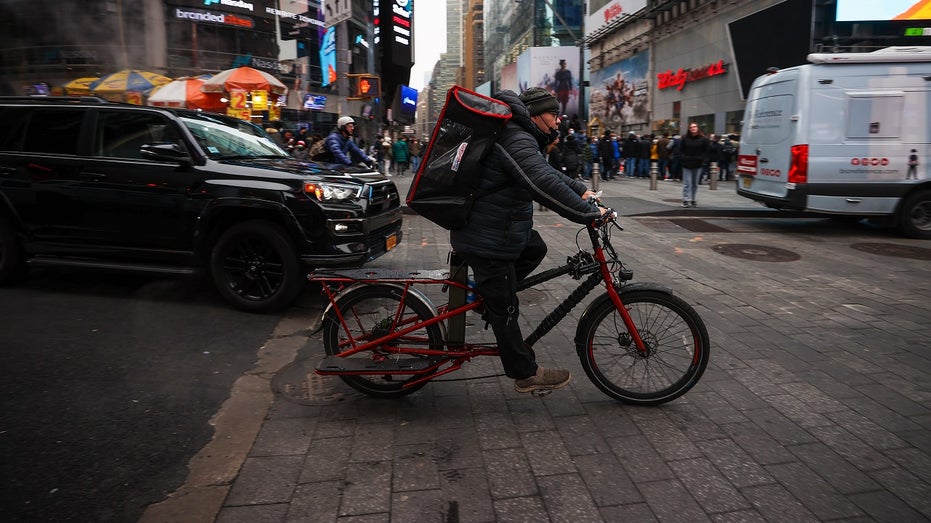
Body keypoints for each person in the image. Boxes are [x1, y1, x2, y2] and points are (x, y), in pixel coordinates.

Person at [450, 87, 606, 393]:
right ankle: (524, 372)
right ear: (535, 113)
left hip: (500, 230)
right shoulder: (516, 136)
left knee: (535, 247)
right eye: (553, 114)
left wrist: (580, 190)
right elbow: (540, 180)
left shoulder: (519, 134)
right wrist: (588, 213)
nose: (558, 121)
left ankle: (486, 298)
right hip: (488, 238)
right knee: (506, 308)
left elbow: (546, 172)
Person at [680, 123, 711, 207]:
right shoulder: (685, 139)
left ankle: (693, 199)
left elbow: (707, 151)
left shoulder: (703, 139)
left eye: (694, 127)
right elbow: (680, 150)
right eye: (691, 127)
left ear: (698, 128)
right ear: (689, 129)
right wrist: (683, 158)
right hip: (687, 163)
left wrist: (703, 160)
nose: (693, 128)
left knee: (695, 183)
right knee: (687, 183)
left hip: (698, 163)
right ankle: (686, 199)